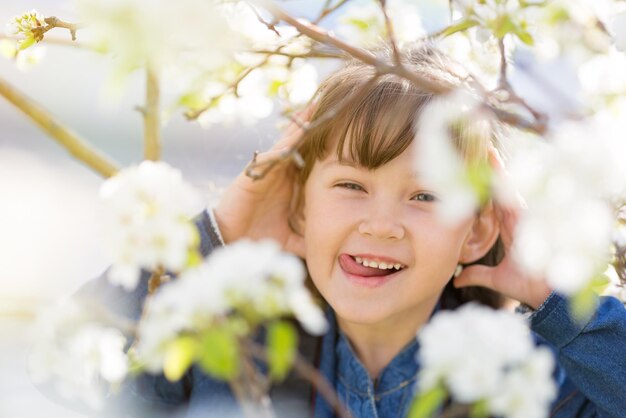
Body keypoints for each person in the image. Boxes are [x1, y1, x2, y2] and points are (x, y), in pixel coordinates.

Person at [73, 44, 626, 418]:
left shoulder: (535, 379)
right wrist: (214, 238)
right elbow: (69, 376)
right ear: (300, 206)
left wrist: (558, 301)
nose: (381, 225)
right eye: (351, 186)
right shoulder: (228, 350)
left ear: (477, 231)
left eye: (426, 196)